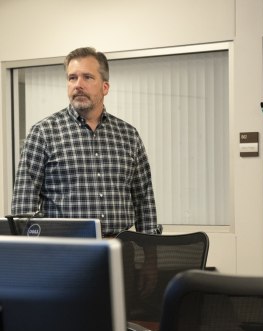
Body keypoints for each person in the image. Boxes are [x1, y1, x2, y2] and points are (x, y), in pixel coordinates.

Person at [11, 47, 159, 238]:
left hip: (121, 250)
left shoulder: (128, 135)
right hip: (64, 252)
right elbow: (24, 204)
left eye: (87, 77)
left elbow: (144, 199)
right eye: (72, 78)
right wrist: (30, 255)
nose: (78, 84)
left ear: (105, 87)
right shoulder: (43, 133)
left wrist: (150, 258)